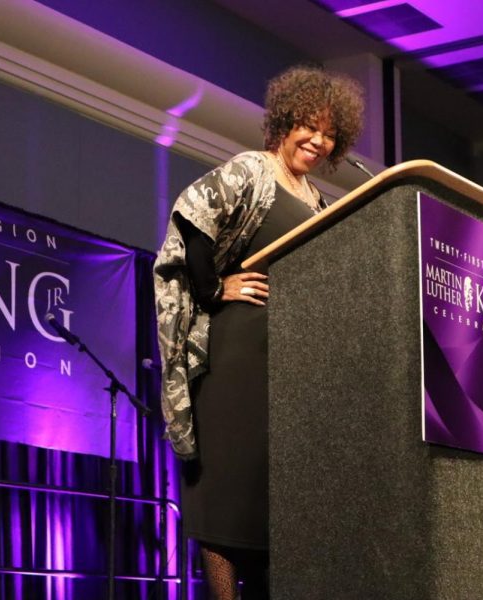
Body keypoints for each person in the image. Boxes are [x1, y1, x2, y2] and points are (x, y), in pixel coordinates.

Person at [153, 65, 364, 599]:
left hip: (293, 369)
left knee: (279, 502)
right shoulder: (253, 170)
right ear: (284, 121)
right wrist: (214, 287)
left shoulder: (319, 201)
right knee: (228, 492)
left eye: (330, 134)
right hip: (236, 360)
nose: (319, 140)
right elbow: (192, 217)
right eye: (309, 127)